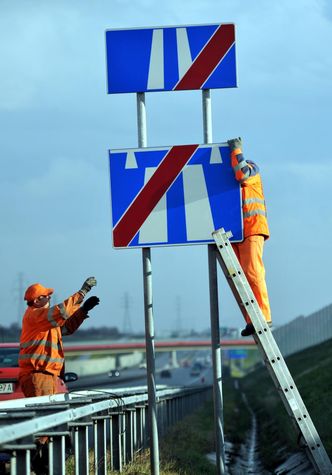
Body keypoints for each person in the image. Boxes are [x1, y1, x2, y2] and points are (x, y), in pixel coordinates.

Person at [18, 276, 100, 474]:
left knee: (48, 423)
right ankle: (34, 465)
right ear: (37, 300)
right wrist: (82, 292)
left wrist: (83, 311)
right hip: (38, 376)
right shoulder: (36, 315)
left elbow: (66, 328)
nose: (49, 298)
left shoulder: (45, 322)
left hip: (46, 376)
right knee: (44, 425)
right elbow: (62, 312)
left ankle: (41, 466)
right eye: (46, 296)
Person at [228, 137, 272, 337]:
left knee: (253, 273)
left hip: (252, 229)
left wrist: (236, 151)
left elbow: (242, 175)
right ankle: (251, 319)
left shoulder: (251, 168)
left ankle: (263, 316)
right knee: (241, 279)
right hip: (237, 233)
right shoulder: (230, 177)